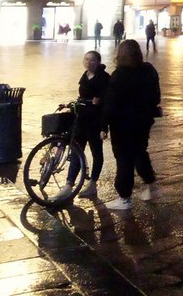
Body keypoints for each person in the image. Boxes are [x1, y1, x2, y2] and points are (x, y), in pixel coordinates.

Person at [101, 39, 161, 211]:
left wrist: (104, 125)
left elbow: (111, 104)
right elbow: (156, 96)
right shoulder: (149, 70)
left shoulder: (119, 75)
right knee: (140, 151)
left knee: (124, 158)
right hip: (143, 121)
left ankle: (124, 197)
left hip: (122, 124)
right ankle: (150, 184)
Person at [51, 51, 110, 202]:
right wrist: (71, 105)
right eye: (86, 59)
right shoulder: (85, 76)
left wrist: (104, 127)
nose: (88, 62)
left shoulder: (104, 78)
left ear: (98, 62)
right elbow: (82, 97)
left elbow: (108, 103)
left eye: (92, 60)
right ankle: (69, 185)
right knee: (76, 151)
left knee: (97, 152)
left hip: (95, 122)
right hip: (81, 120)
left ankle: (93, 183)